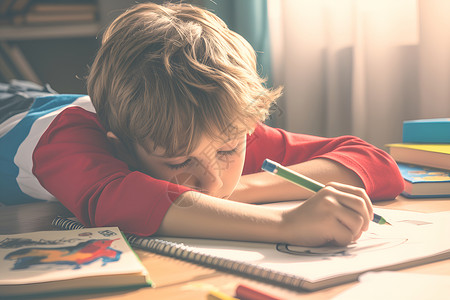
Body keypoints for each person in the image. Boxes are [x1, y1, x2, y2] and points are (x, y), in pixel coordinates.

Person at [0, 3, 404, 247]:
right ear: (121, 146)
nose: (212, 180)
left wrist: (241, 190)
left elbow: (376, 164)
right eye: (178, 161)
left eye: (229, 151)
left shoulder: (210, 122)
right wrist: (286, 223)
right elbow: (116, 202)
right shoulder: (66, 142)